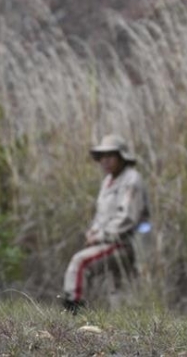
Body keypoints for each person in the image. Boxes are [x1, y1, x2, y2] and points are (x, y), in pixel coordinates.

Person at [61, 134, 150, 314]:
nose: (105, 161)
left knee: (79, 263)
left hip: (124, 243)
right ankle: (122, 326)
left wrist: (100, 236)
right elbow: (101, 215)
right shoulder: (108, 181)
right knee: (116, 289)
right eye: (102, 157)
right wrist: (93, 232)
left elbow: (127, 218)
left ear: (121, 157)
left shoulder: (132, 179)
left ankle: (73, 312)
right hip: (108, 242)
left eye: (110, 156)